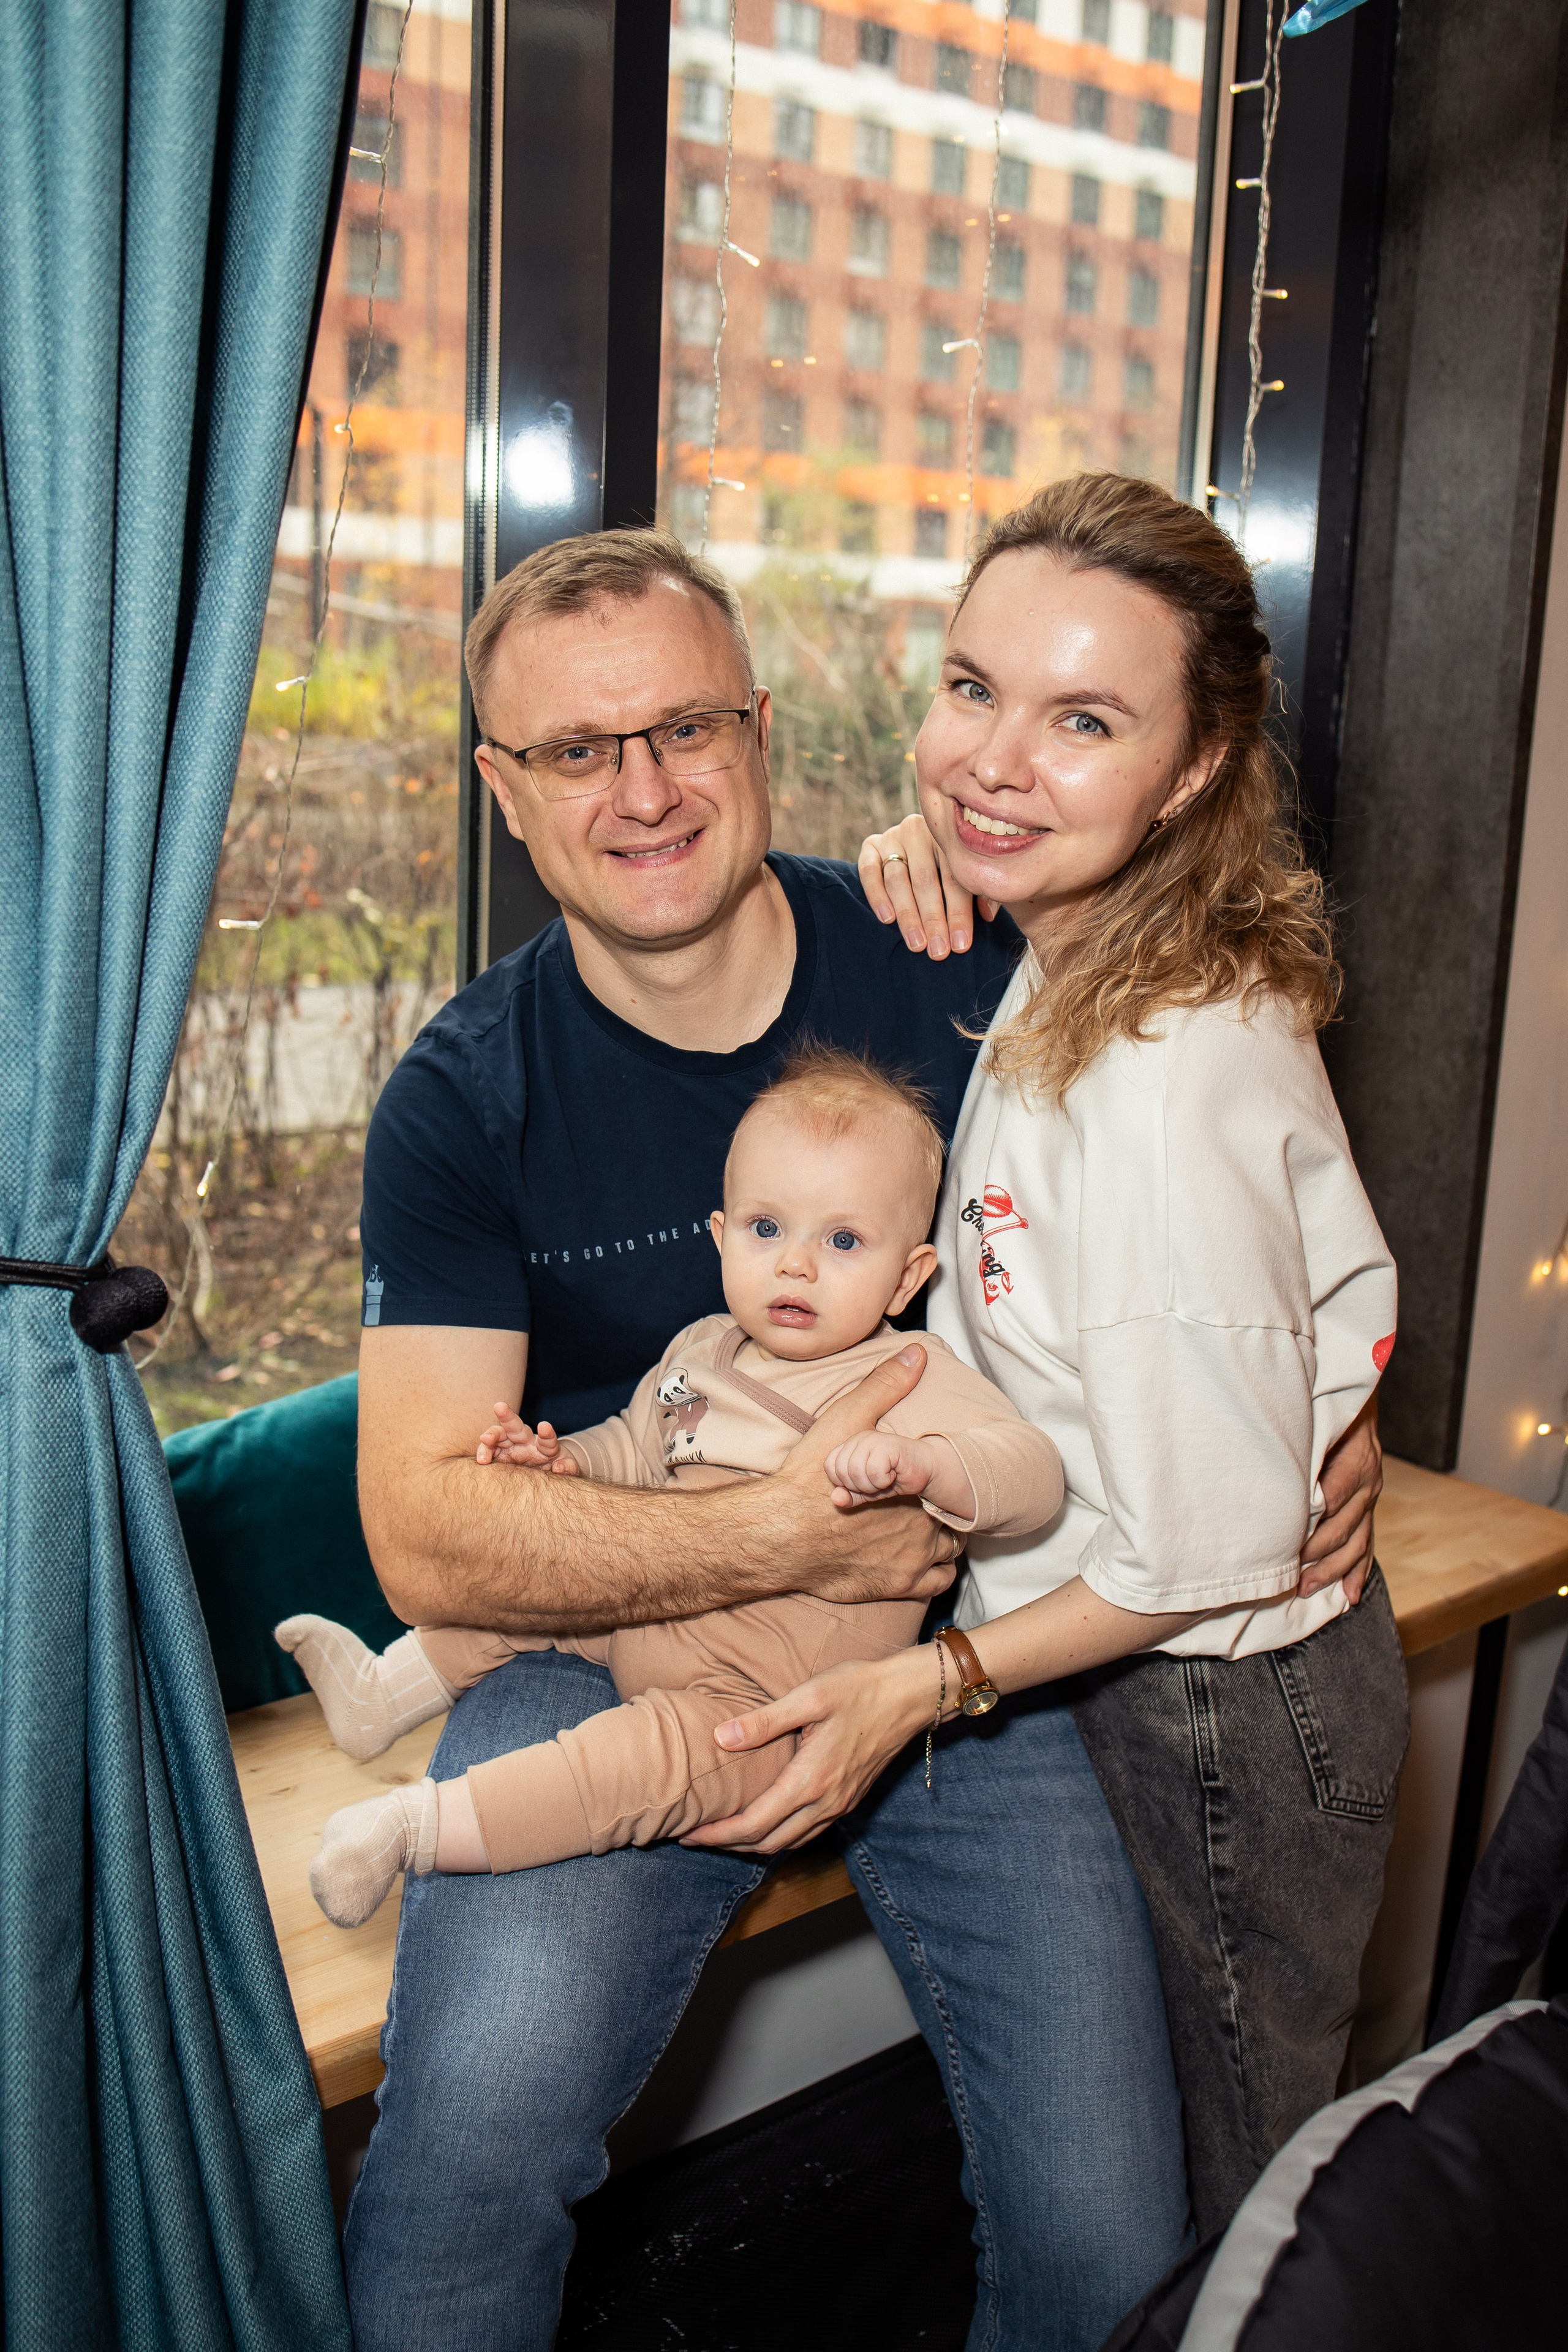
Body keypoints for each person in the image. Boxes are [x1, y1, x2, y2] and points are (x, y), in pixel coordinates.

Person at [342, 521, 1381, 2352]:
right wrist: (783, 1542)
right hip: (614, 1667)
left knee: (1104, 2235)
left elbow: (1231, 1140)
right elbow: (431, 1544)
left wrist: (1329, 1399)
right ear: (505, 794)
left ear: (760, 729)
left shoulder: (967, 944)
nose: (644, 791)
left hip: (965, 1662)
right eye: (577, 753)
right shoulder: (460, 1097)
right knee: (463, 2166)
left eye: (684, 728)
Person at [693, 472, 1411, 2241]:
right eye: (971, 690)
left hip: (1218, 1715)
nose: (993, 762)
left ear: (1191, 771)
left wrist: (912, 1692)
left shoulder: (1161, 1083)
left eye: (1083, 720)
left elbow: (1214, 1545)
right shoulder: (1104, 937)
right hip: (1136, 1662)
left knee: (1227, 2213)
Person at [284, 1049, 1061, 1924]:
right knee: (525, 1590)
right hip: (649, 1606)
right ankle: (381, 1698)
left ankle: (411, 1829)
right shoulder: (701, 1350)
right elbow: (634, 1445)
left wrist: (936, 1469)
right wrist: (564, 1466)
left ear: (909, 1277)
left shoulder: (912, 1374)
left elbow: (1035, 1473)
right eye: (769, 1229)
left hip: (758, 1703)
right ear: (722, 1238)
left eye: (842, 1241)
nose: (797, 1265)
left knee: (633, 1767)